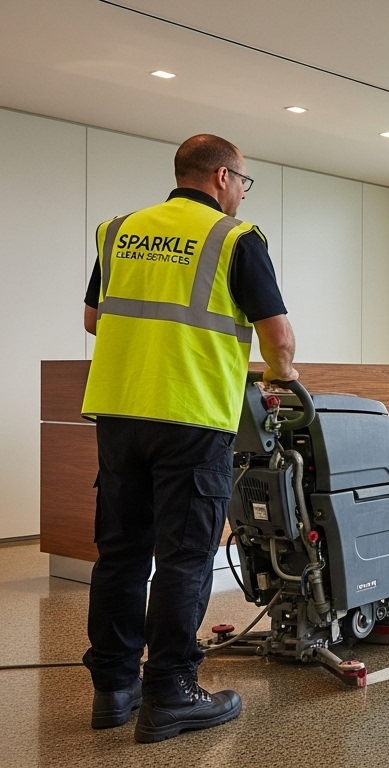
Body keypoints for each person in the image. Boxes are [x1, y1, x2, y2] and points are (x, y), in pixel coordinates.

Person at [81, 134, 298, 742]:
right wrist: (282, 381)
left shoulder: (118, 230)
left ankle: (114, 688)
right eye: (243, 182)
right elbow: (278, 339)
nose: (241, 194)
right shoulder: (236, 238)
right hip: (193, 416)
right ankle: (172, 690)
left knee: (121, 553)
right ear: (223, 178)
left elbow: (95, 319)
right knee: (184, 557)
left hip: (120, 415)